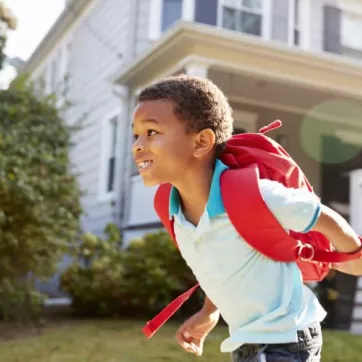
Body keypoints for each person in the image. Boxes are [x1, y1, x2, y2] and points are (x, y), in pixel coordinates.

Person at [131, 75, 362, 362]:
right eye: (136, 134)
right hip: (245, 343)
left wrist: (353, 257)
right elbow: (223, 265)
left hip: (288, 339)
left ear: (201, 142)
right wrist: (208, 312)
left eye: (152, 132)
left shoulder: (254, 195)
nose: (138, 145)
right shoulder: (172, 209)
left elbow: (321, 216)